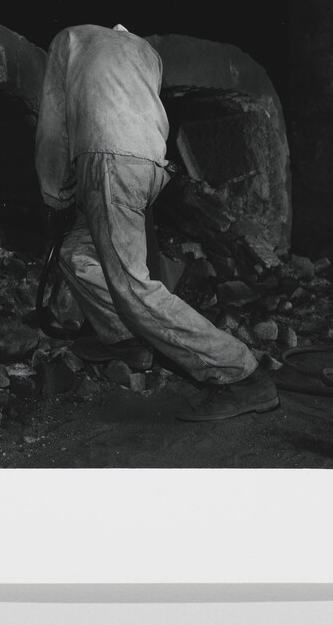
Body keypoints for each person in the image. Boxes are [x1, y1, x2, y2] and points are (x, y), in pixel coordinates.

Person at [34, 23, 279, 421]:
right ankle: (125, 337)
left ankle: (240, 375)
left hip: (108, 158)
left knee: (132, 284)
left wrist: (53, 192)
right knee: (75, 252)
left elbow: (54, 125)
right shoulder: (145, 52)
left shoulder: (70, 40)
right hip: (148, 164)